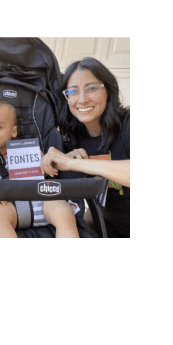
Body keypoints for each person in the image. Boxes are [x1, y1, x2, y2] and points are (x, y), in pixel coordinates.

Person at [40, 58, 130, 238]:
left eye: (92, 88)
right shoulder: (71, 136)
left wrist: (76, 164)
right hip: (108, 229)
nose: (82, 99)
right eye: (73, 91)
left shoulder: (129, 123)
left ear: (108, 91)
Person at [0, 101, 79, 238]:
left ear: (13, 131)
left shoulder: (30, 148)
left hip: (42, 200)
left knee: (64, 212)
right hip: (11, 207)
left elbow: (46, 172)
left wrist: (48, 167)